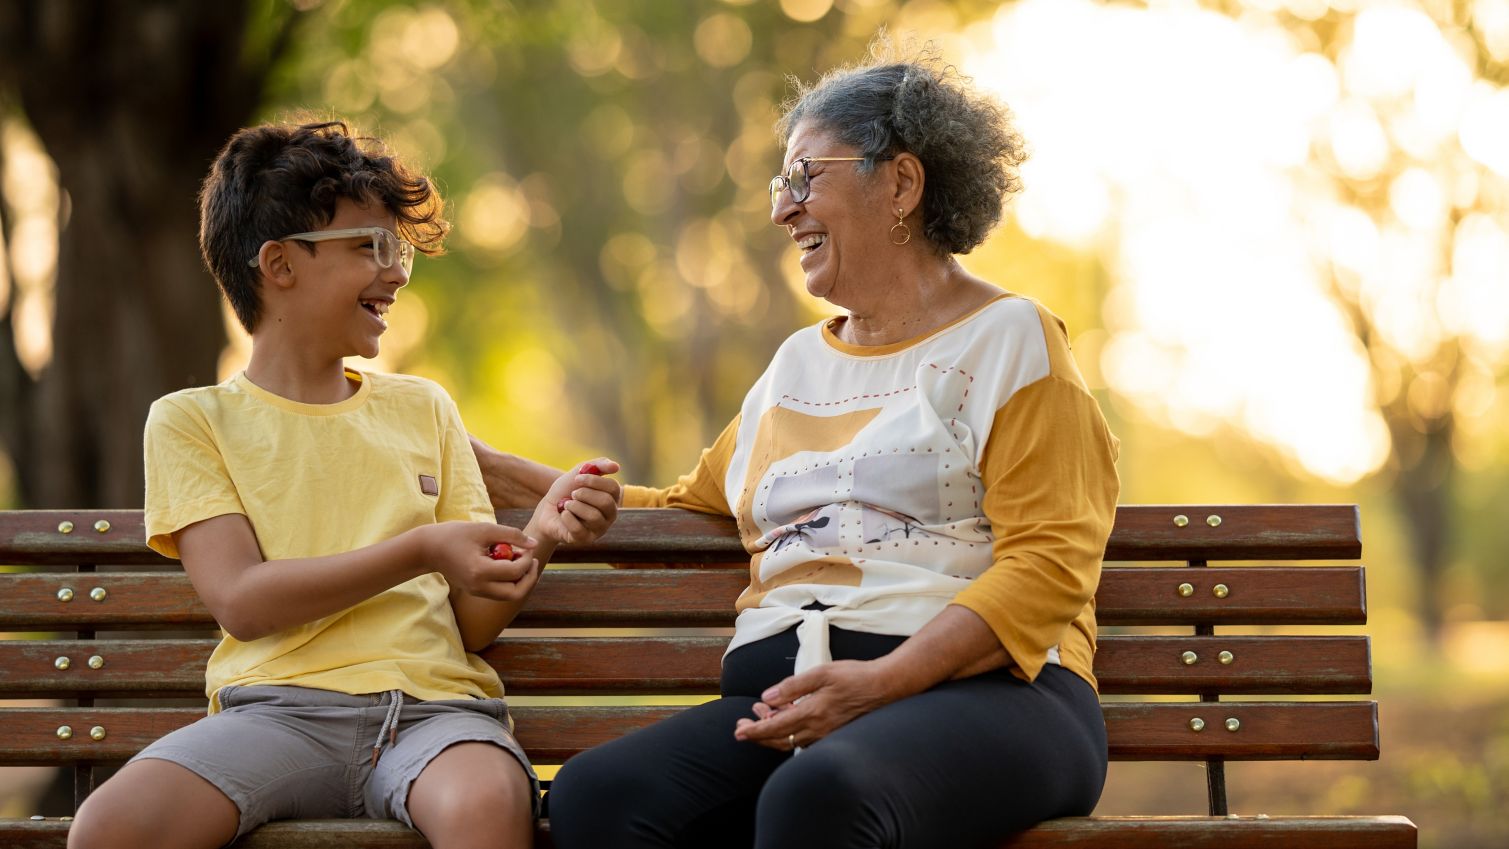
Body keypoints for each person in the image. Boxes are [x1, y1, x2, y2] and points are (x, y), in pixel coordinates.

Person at [473, 46, 1121, 849]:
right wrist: (492, 465)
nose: (782, 209)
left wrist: (881, 682)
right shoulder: (793, 368)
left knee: (818, 796)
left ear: (901, 184)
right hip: (793, 704)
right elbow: (689, 505)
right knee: (598, 795)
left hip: (1000, 696)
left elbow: (1048, 562)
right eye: (782, 185)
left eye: (803, 177)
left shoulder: (1012, 341)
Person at [66, 120, 622, 849]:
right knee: (109, 827)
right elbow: (242, 601)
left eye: (398, 251)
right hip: (273, 715)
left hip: (435, 715)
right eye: (371, 247)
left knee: (485, 803)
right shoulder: (190, 421)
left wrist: (540, 538)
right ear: (279, 264)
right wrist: (420, 548)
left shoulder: (423, 408)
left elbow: (469, 624)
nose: (395, 272)